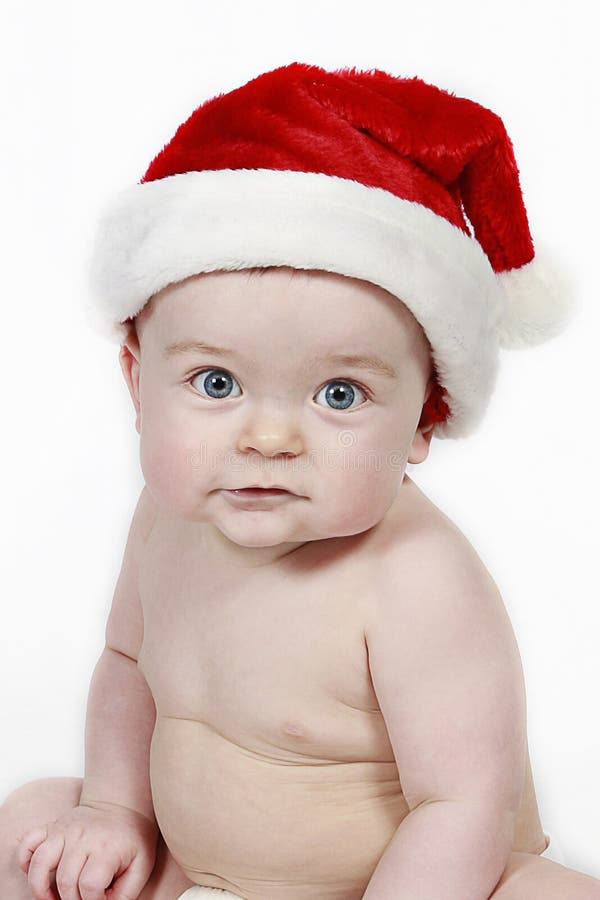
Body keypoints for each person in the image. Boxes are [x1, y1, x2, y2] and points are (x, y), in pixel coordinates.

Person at [1, 61, 598, 900]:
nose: (270, 438)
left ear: (426, 419)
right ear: (137, 384)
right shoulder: (166, 517)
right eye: (217, 384)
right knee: (32, 817)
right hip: (195, 868)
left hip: (415, 883)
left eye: (339, 394)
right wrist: (111, 810)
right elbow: (128, 664)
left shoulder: (415, 580)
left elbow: (463, 804)